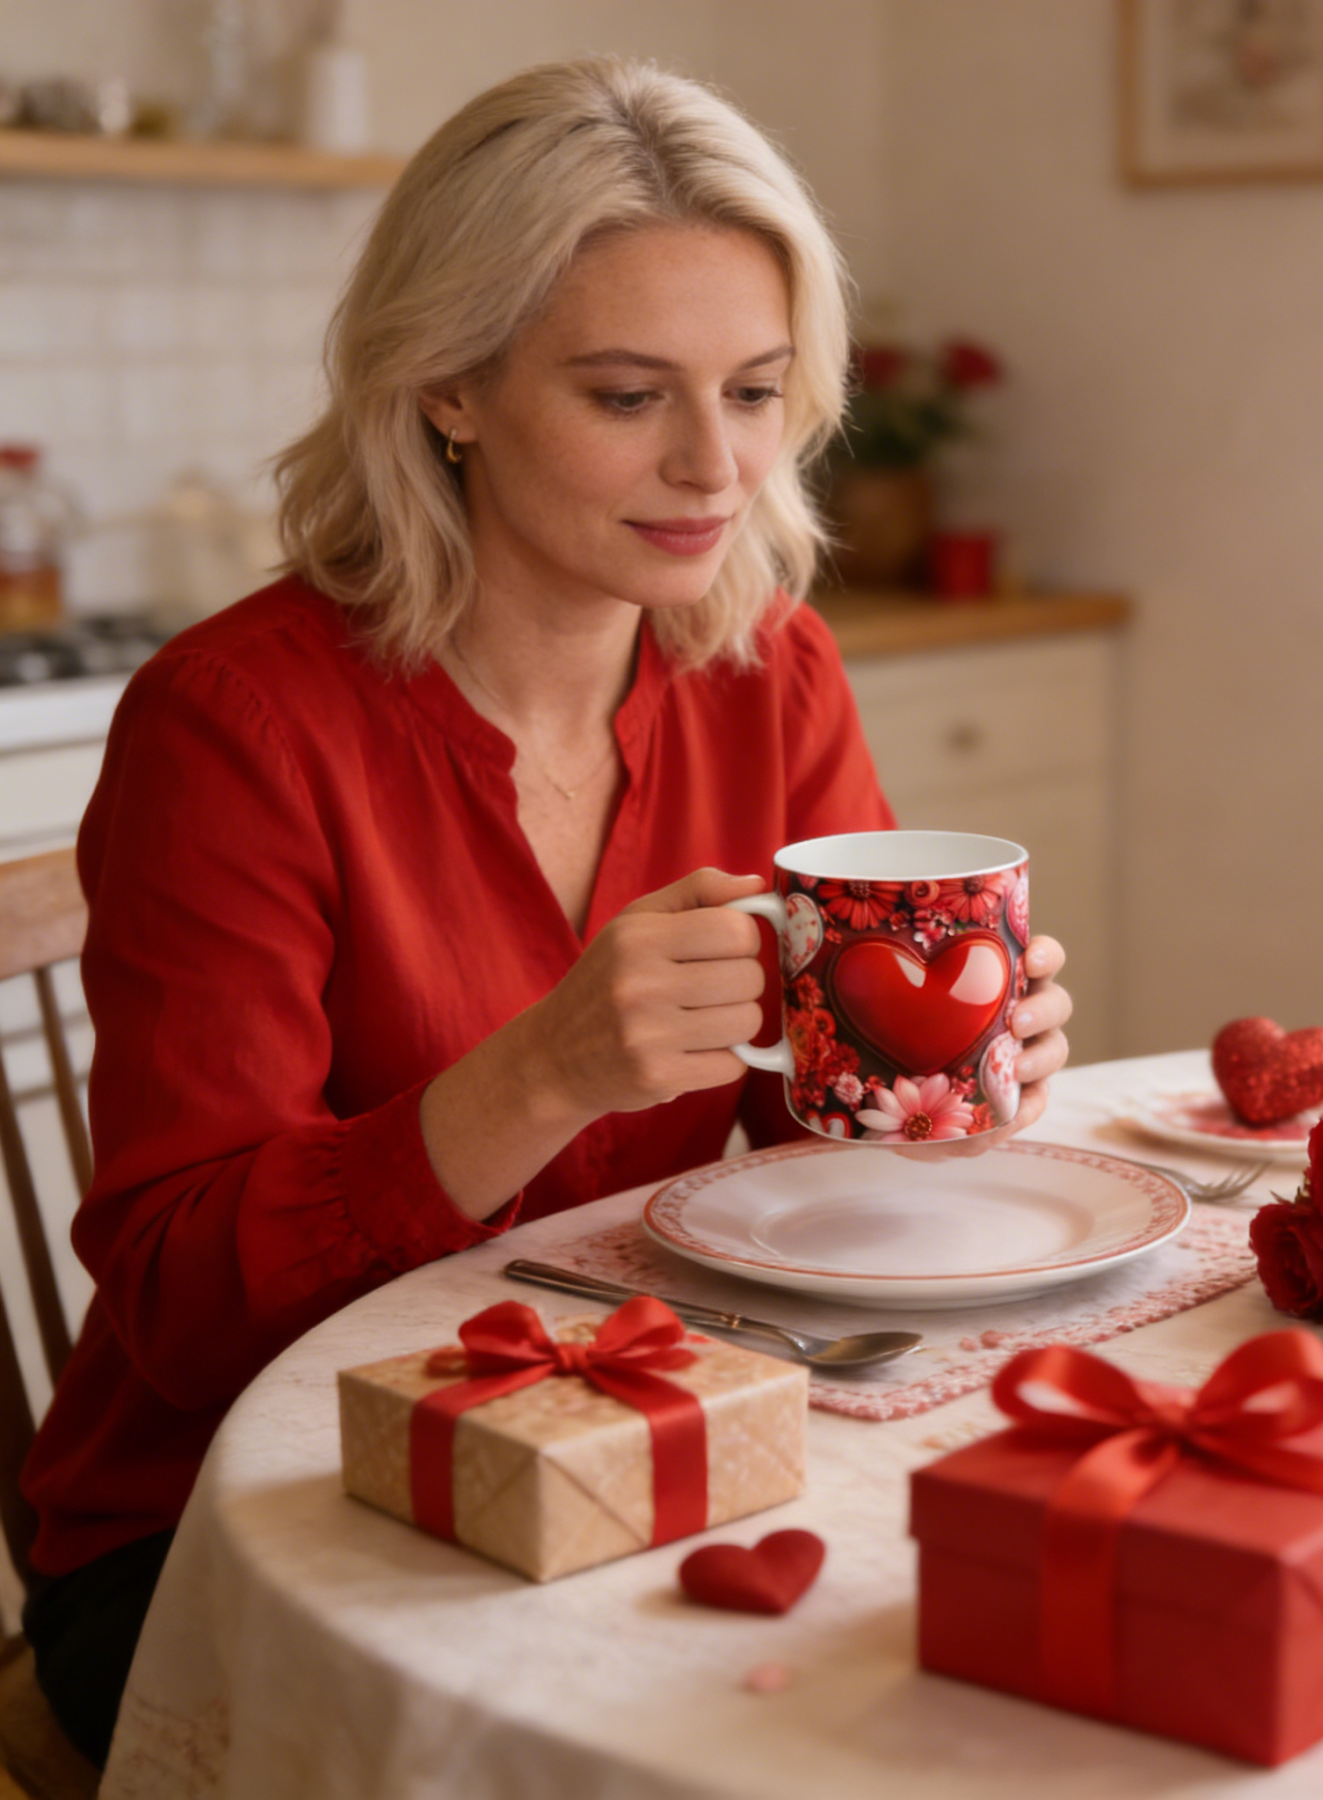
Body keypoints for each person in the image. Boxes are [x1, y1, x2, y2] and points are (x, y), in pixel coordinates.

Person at [16, 58, 1073, 1767]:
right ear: (447, 384)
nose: (710, 466)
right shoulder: (240, 726)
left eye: (749, 390)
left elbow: (815, 1143)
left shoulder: (766, 668)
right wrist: (543, 1072)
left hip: (640, 1420)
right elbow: (179, 1307)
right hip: (234, 1523)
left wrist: (951, 1060)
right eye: (624, 394)